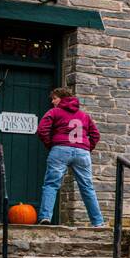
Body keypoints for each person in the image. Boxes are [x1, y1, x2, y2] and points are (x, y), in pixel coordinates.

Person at [37, 87, 104, 226]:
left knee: (51, 184)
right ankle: (98, 222)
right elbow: (96, 135)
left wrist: (52, 145)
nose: (53, 102)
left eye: (54, 98)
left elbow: (42, 130)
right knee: (87, 188)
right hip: (82, 153)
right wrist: (86, 147)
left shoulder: (54, 112)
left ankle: (45, 217)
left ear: (61, 98)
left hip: (60, 150)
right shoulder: (84, 116)